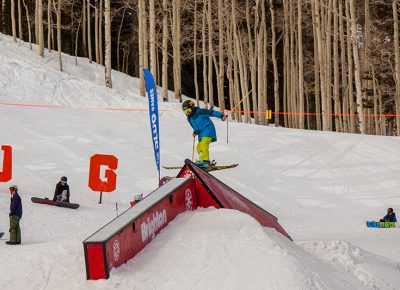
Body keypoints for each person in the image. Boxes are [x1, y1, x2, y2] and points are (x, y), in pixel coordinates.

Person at [182, 100, 227, 166]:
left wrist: (221, 115)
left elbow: (211, 112)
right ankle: (202, 160)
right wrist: (195, 131)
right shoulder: (189, 118)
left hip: (208, 129)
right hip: (201, 134)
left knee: (203, 144)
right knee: (198, 147)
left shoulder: (199, 111)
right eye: (185, 111)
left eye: (188, 110)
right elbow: (195, 127)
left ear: (192, 107)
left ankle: (205, 160)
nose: (187, 113)